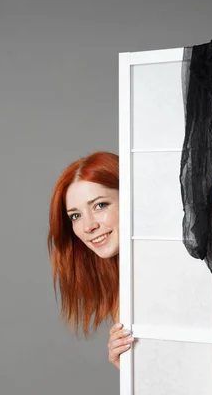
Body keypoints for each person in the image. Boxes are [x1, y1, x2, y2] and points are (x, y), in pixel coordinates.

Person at [47, 151, 133, 369]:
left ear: (132, 196)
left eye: (100, 205)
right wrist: (128, 367)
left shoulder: (169, 265)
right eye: (76, 216)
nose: (88, 226)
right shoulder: (120, 275)